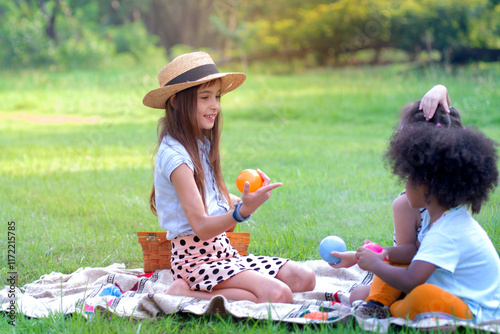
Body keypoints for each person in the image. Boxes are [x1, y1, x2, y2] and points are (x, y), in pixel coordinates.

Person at [142, 51, 315, 303]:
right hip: (194, 260)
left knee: (304, 278)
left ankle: (217, 290)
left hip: (222, 252)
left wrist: (238, 200)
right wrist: (241, 212)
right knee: (279, 295)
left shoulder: (199, 143)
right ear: (177, 101)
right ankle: (185, 291)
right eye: (205, 97)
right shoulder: (176, 157)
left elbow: (211, 205)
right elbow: (200, 226)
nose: (215, 105)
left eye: (217, 97)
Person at [331, 85, 461, 312]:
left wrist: (378, 262)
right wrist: (373, 255)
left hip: (429, 276)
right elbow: (408, 253)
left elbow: (408, 257)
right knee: (362, 293)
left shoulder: (421, 201)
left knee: (362, 295)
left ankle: (384, 307)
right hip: (434, 273)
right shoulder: (443, 191)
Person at [356, 122, 500, 322]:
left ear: (427, 186)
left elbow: (411, 280)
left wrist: (375, 265)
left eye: (409, 177)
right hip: (452, 295)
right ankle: (376, 303)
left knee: (422, 296)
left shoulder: (448, 230)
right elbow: (415, 251)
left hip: (475, 311)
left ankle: (394, 310)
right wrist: (384, 254)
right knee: (393, 262)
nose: (405, 185)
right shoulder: (436, 218)